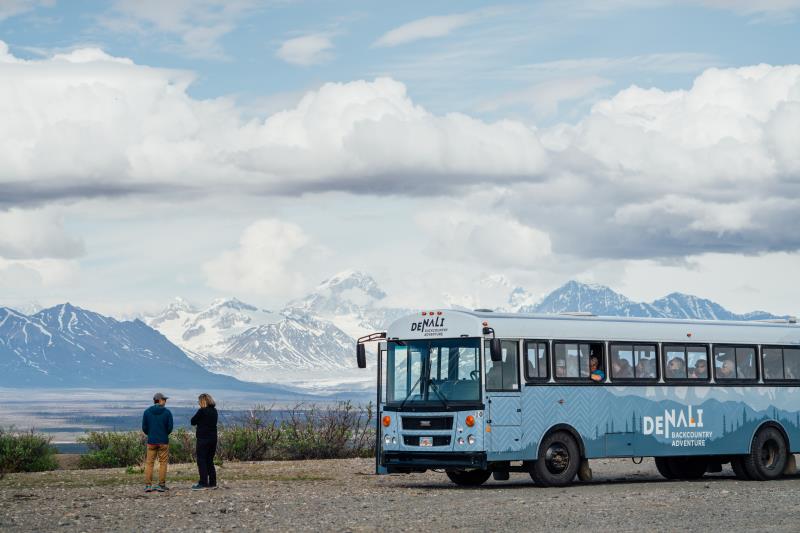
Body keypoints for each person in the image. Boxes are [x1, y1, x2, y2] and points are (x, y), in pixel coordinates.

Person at [142, 392, 174, 493]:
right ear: (159, 400)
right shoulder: (167, 412)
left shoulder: (147, 412)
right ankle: (161, 485)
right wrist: (164, 434)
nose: (165, 401)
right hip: (163, 441)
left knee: (149, 463)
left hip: (151, 441)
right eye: (164, 399)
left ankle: (148, 485)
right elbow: (170, 428)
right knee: (163, 463)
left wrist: (151, 434)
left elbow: (144, 428)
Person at [191, 393, 219, 490]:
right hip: (213, 439)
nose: (198, 403)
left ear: (203, 401)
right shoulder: (214, 411)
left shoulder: (201, 411)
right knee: (209, 460)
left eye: (199, 401)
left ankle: (203, 483)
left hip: (203, 439)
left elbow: (192, 421)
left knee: (201, 460)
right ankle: (212, 482)